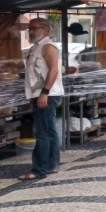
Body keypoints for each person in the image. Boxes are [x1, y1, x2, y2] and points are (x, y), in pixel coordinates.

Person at [19, 18, 65, 180]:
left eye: (34, 28)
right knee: (49, 130)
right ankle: (51, 164)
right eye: (29, 28)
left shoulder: (48, 47)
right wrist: (33, 96)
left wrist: (44, 92)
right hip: (41, 94)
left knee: (42, 132)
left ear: (45, 29)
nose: (31, 31)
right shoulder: (36, 48)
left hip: (47, 94)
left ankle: (39, 169)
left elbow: (54, 70)